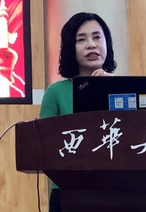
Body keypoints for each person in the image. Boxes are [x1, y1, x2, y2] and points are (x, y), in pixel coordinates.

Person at [39, 12, 117, 212]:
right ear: (70, 48)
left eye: (97, 37)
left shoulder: (123, 88)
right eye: (81, 39)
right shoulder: (56, 92)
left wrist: (112, 87)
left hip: (118, 189)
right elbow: (44, 146)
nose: (91, 45)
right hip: (69, 191)